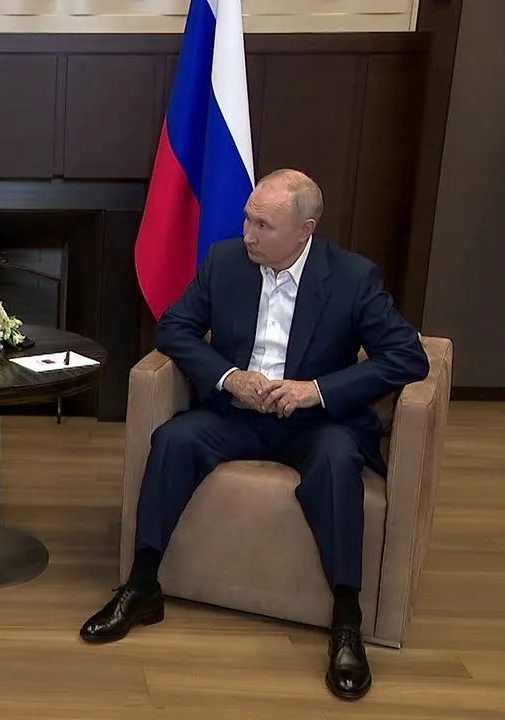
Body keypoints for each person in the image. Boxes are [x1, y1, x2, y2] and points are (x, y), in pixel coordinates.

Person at [78, 169, 429, 701]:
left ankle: (346, 620)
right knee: (173, 440)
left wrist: (316, 390)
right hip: (237, 414)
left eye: (263, 225)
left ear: (305, 230)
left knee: (337, 463)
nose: (248, 234)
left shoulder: (352, 278)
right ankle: (142, 585)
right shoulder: (224, 262)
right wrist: (228, 377)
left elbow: (408, 356)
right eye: (247, 219)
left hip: (315, 423)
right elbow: (174, 327)